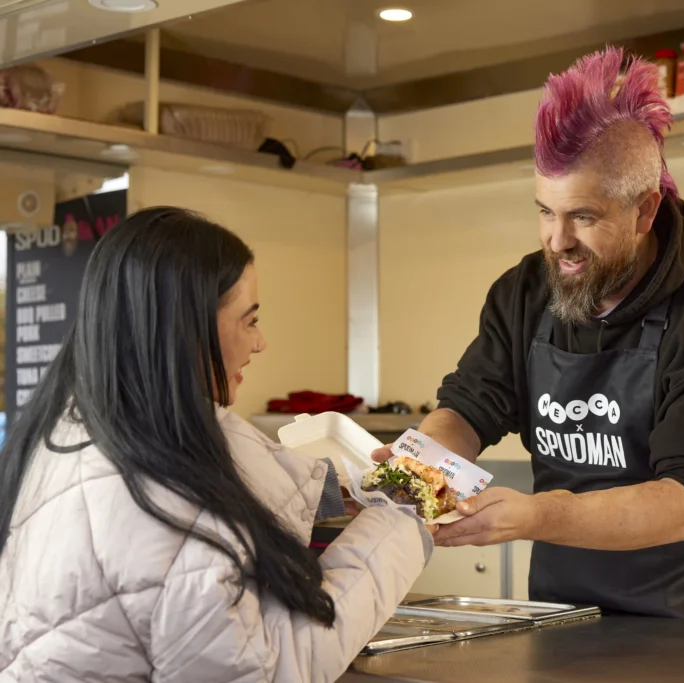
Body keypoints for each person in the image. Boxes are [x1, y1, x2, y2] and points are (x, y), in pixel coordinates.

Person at [372, 47, 684, 624]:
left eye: (582, 216)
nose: (557, 242)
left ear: (644, 210)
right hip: (564, 607)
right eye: (545, 212)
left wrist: (536, 516)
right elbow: (470, 407)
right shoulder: (525, 291)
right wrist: (412, 468)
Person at [0, 207, 431, 681]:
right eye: (249, 320)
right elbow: (270, 669)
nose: (261, 342)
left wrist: (333, 491)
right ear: (184, 326)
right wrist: (405, 518)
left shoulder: (72, 432)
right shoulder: (165, 505)